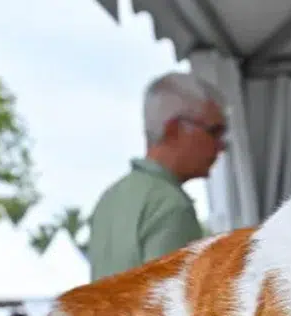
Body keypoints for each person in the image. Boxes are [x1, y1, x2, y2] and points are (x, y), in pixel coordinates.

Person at [87, 72, 226, 280]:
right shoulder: (170, 205)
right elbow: (169, 310)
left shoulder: (110, 198)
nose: (221, 145)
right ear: (173, 130)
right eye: (214, 131)